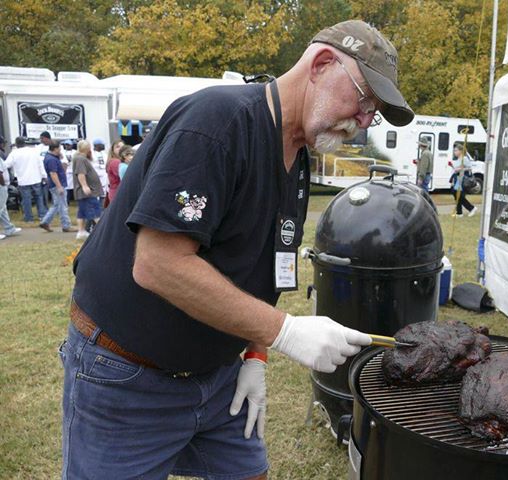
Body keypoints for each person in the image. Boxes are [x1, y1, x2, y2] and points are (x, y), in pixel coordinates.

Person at [62, 19, 413, 479]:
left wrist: (256, 355)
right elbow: (157, 263)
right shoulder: (217, 123)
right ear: (323, 64)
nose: (365, 121)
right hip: (128, 375)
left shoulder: (297, 156)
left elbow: (263, 271)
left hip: (219, 379)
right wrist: (283, 332)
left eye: (375, 113)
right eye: (365, 100)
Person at [4, 137, 47, 222]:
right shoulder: (33, 151)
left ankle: (29, 218)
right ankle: (42, 216)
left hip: (23, 180)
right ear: (25, 143)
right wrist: (44, 175)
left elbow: (6, 165)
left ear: (16, 144)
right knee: (39, 197)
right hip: (36, 178)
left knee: (26, 199)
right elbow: (40, 164)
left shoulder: (14, 153)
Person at [39, 141, 76, 233]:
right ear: (55, 149)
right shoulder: (51, 160)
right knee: (63, 205)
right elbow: (53, 173)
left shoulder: (51, 157)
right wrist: (59, 186)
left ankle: (45, 221)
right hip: (57, 184)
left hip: (55, 184)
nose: (60, 150)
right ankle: (66, 225)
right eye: (59, 149)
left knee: (56, 205)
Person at [72, 140, 102, 239]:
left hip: (82, 191)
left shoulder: (79, 158)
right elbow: (81, 173)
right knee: (95, 210)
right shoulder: (81, 159)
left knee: (82, 212)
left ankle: (81, 231)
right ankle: (101, 231)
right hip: (86, 191)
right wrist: (85, 186)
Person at [0, 137, 22, 240]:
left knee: (3, 208)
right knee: (0, 208)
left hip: (3, 185)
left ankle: (9, 228)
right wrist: (3, 184)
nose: (4, 145)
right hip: (1, 185)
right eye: (3, 143)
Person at [450, 143, 477, 217]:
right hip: (457, 178)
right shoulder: (458, 159)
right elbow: (456, 169)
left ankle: (471, 208)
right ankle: (459, 212)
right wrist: (452, 166)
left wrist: (460, 169)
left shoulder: (464, 158)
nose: (454, 152)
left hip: (462, 179)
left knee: (457, 194)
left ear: (460, 151)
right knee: (456, 194)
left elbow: (470, 168)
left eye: (456, 150)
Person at [91, 138, 109, 206]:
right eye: (102, 145)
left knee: (104, 192)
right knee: (96, 192)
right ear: (97, 145)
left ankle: (102, 207)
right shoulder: (91, 154)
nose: (104, 146)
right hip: (95, 175)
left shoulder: (104, 154)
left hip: (104, 175)